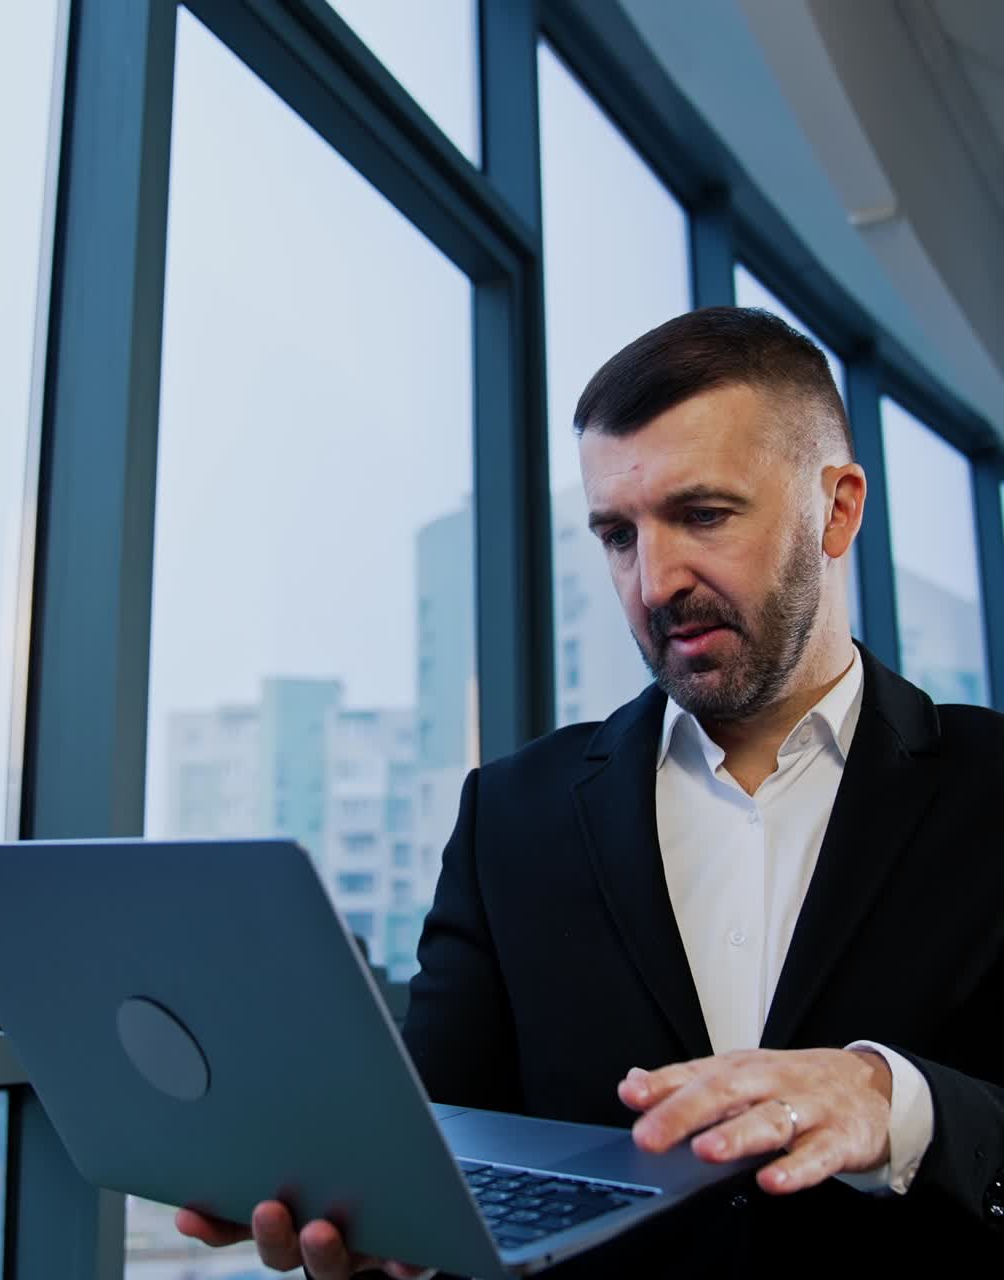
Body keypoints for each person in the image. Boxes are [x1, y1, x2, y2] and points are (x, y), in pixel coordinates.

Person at [177, 308, 1004, 1276]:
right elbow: (444, 1140)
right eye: (617, 534)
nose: (654, 581)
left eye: (702, 514)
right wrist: (378, 1224)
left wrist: (894, 1099)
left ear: (836, 508)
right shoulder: (511, 815)